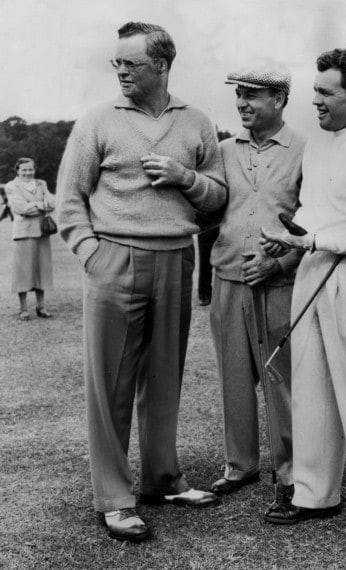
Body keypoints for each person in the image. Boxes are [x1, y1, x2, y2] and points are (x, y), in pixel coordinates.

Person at [57, 21, 227, 542]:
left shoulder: (196, 121)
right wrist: (93, 254)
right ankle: (114, 497)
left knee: (165, 377)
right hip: (115, 261)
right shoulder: (96, 122)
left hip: (177, 259)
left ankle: (163, 478)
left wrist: (187, 179)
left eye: (132, 63)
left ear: (162, 65)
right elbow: (69, 200)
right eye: (118, 63)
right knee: (110, 383)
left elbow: (218, 196)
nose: (122, 71)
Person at [260, 48, 346, 547]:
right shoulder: (320, 145)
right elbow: (316, 208)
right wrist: (296, 233)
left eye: (326, 92)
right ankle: (314, 495)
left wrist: (315, 240)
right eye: (314, 90)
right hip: (315, 268)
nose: (314, 101)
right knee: (313, 386)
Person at [209, 64, 305, 515]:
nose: (243, 103)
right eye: (239, 95)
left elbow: (314, 224)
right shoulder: (222, 149)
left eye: (253, 95)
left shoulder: (305, 149)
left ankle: (288, 470)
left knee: (280, 377)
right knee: (233, 375)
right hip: (228, 276)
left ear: (280, 99)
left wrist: (278, 260)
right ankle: (239, 465)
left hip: (280, 281)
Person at [5, 158, 55, 321]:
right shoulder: (11, 186)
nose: (28, 173)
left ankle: (41, 306)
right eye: (24, 170)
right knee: (23, 271)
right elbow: (20, 209)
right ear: (17, 171)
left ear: (35, 169)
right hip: (23, 233)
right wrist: (41, 205)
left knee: (42, 270)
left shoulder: (41, 184)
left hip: (42, 232)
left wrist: (34, 205)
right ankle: (23, 308)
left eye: (30, 169)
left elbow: (52, 204)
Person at [197, 226, 219, 305]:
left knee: (225, 261)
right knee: (205, 261)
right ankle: (204, 295)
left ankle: (224, 293)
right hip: (206, 225)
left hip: (225, 223)